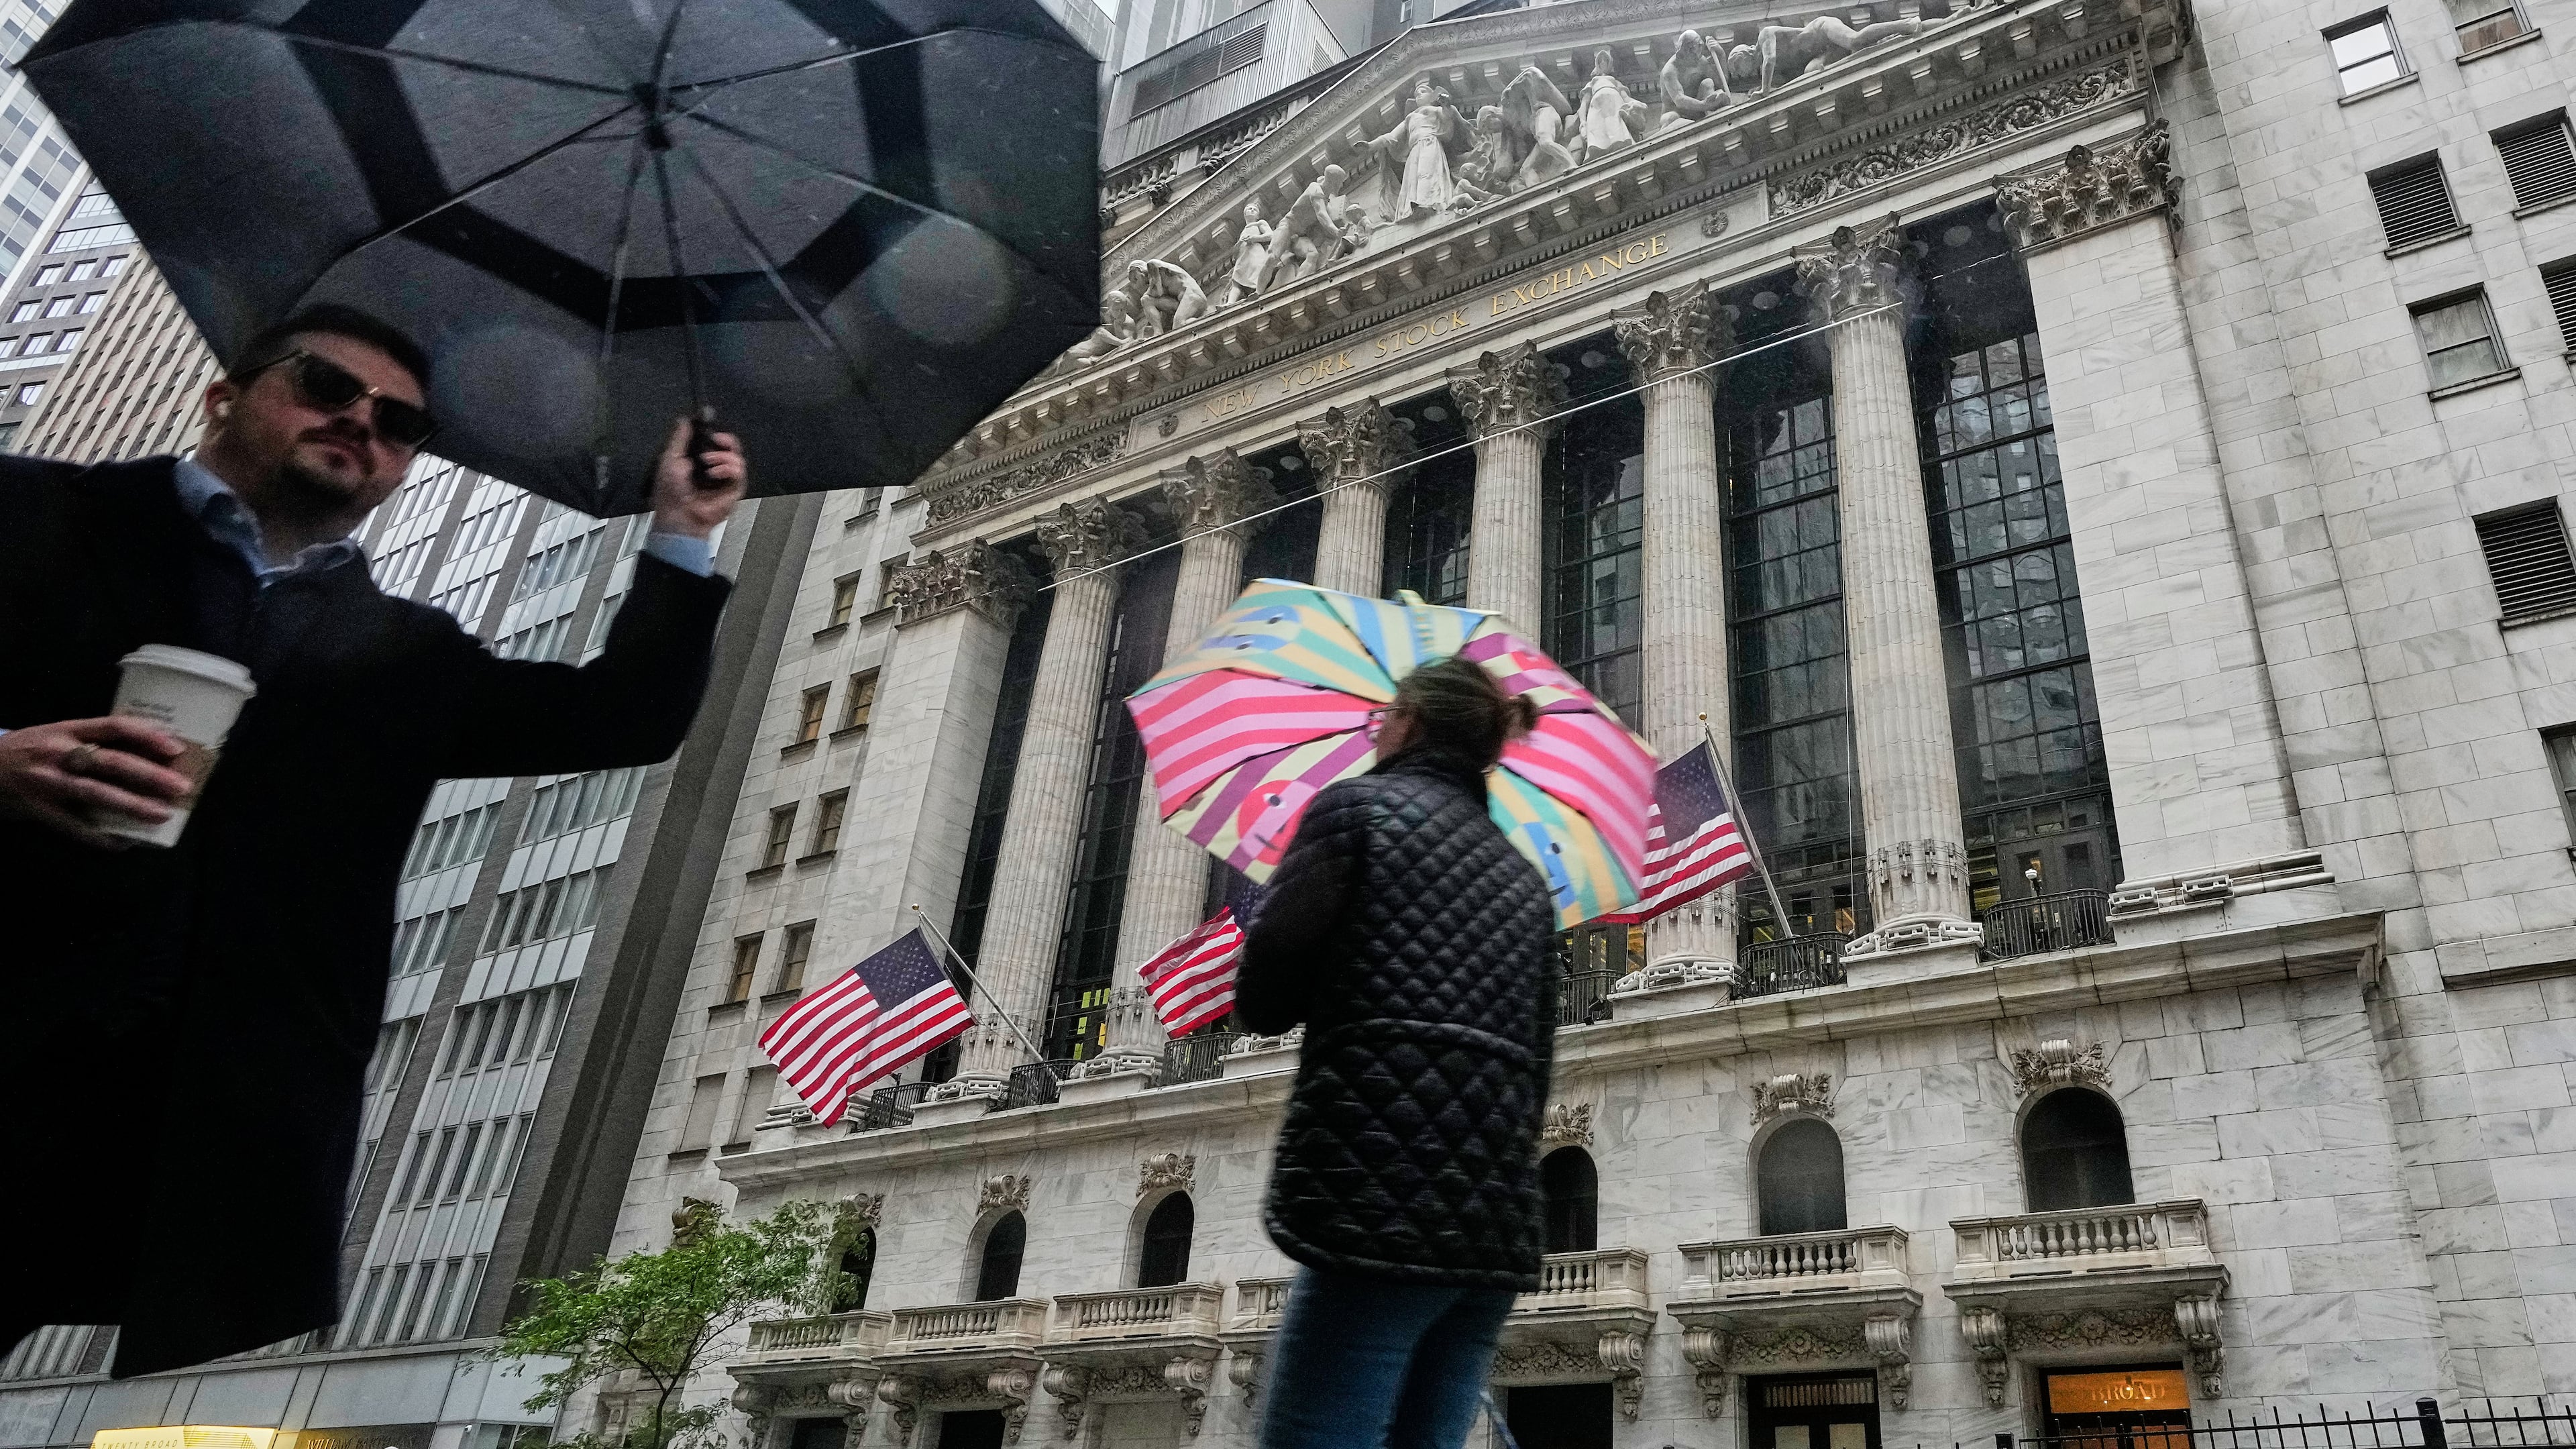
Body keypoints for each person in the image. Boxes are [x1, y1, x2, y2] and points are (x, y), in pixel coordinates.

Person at [0, 305, 747, 1377]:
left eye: (399, 423)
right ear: (226, 396)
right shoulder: (33, 514)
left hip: (190, 1124)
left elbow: (623, 714)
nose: (362, 422)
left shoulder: (404, 654)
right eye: (323, 386)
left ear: (402, 470)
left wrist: (684, 526)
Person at [1235, 656, 1558, 1449]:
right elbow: (1537, 1067)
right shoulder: (1526, 881)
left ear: (1409, 720)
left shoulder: (1354, 813)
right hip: (1492, 1223)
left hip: (1377, 1194)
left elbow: (1265, 1001)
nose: (1376, 726)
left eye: (1384, 713)